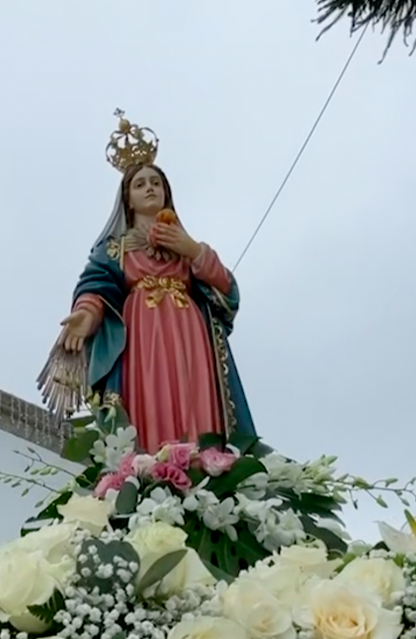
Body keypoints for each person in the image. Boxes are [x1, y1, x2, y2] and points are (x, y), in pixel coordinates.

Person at [40, 112, 255, 452]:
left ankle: (206, 457)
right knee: (152, 398)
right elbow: (97, 286)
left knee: (196, 395)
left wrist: (193, 250)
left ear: (167, 193)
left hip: (190, 332)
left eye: (156, 182)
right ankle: (155, 462)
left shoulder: (185, 245)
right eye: (139, 184)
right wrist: (87, 314)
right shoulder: (115, 248)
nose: (149, 188)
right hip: (142, 334)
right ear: (127, 198)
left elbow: (228, 295)